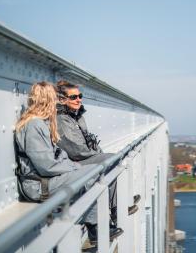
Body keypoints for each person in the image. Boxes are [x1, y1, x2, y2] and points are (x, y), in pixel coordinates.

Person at [14, 81, 123, 245]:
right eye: (54, 100)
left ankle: (96, 225)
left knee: (91, 171)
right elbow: (46, 166)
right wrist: (74, 167)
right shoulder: (34, 126)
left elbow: (58, 156)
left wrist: (73, 167)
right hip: (38, 185)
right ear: (47, 101)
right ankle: (95, 228)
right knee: (89, 175)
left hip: (46, 179)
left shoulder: (40, 123)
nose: (56, 104)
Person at [56, 81, 140, 222]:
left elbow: (87, 141)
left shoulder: (77, 116)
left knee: (113, 159)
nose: (78, 99)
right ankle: (116, 210)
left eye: (80, 96)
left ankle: (119, 202)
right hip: (74, 161)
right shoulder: (62, 119)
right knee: (111, 160)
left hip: (83, 157)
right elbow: (76, 149)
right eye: (73, 97)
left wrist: (96, 151)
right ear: (62, 99)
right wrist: (97, 154)